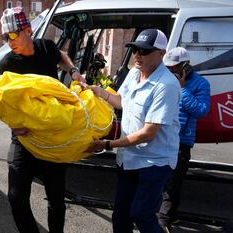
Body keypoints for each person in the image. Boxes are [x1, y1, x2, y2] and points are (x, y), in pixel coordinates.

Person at [0, 6, 85, 233]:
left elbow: (61, 56)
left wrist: (74, 71)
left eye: (13, 35)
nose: (9, 41)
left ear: (28, 30)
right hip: (23, 137)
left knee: (56, 197)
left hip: (52, 135)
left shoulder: (45, 47)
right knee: (16, 197)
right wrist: (13, 124)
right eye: (5, 37)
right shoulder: (7, 65)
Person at [85, 29, 181, 233]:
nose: (138, 55)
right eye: (136, 49)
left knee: (142, 214)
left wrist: (108, 144)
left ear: (161, 53)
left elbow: (149, 132)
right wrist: (100, 92)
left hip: (154, 161)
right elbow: (122, 102)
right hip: (129, 158)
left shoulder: (167, 85)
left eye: (145, 51)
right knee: (121, 214)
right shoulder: (134, 73)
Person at [157, 47, 210, 232]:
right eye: (168, 67)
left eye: (174, 68)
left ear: (186, 66)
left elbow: (202, 111)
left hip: (181, 142)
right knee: (158, 180)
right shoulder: (165, 79)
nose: (170, 71)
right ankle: (165, 216)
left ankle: (164, 222)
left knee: (172, 184)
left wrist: (183, 89)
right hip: (161, 136)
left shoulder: (201, 83)